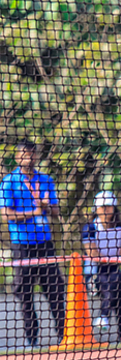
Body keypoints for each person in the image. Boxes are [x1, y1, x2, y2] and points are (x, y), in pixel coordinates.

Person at [0, 140, 65, 347]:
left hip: (45, 244)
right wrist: (33, 212)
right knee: (24, 292)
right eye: (25, 154)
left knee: (56, 290)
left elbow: (55, 212)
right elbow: (6, 215)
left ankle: (64, 335)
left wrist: (47, 206)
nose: (29, 157)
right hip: (22, 246)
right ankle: (32, 339)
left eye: (32, 154)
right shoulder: (9, 182)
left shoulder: (45, 180)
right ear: (18, 157)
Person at [82, 191, 121, 343]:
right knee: (116, 283)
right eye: (102, 207)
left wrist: (118, 257)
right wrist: (112, 259)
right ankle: (114, 324)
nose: (105, 210)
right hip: (94, 277)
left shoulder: (119, 228)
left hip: (113, 272)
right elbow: (93, 254)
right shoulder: (90, 228)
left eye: (108, 206)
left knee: (116, 282)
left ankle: (112, 323)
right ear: (96, 208)